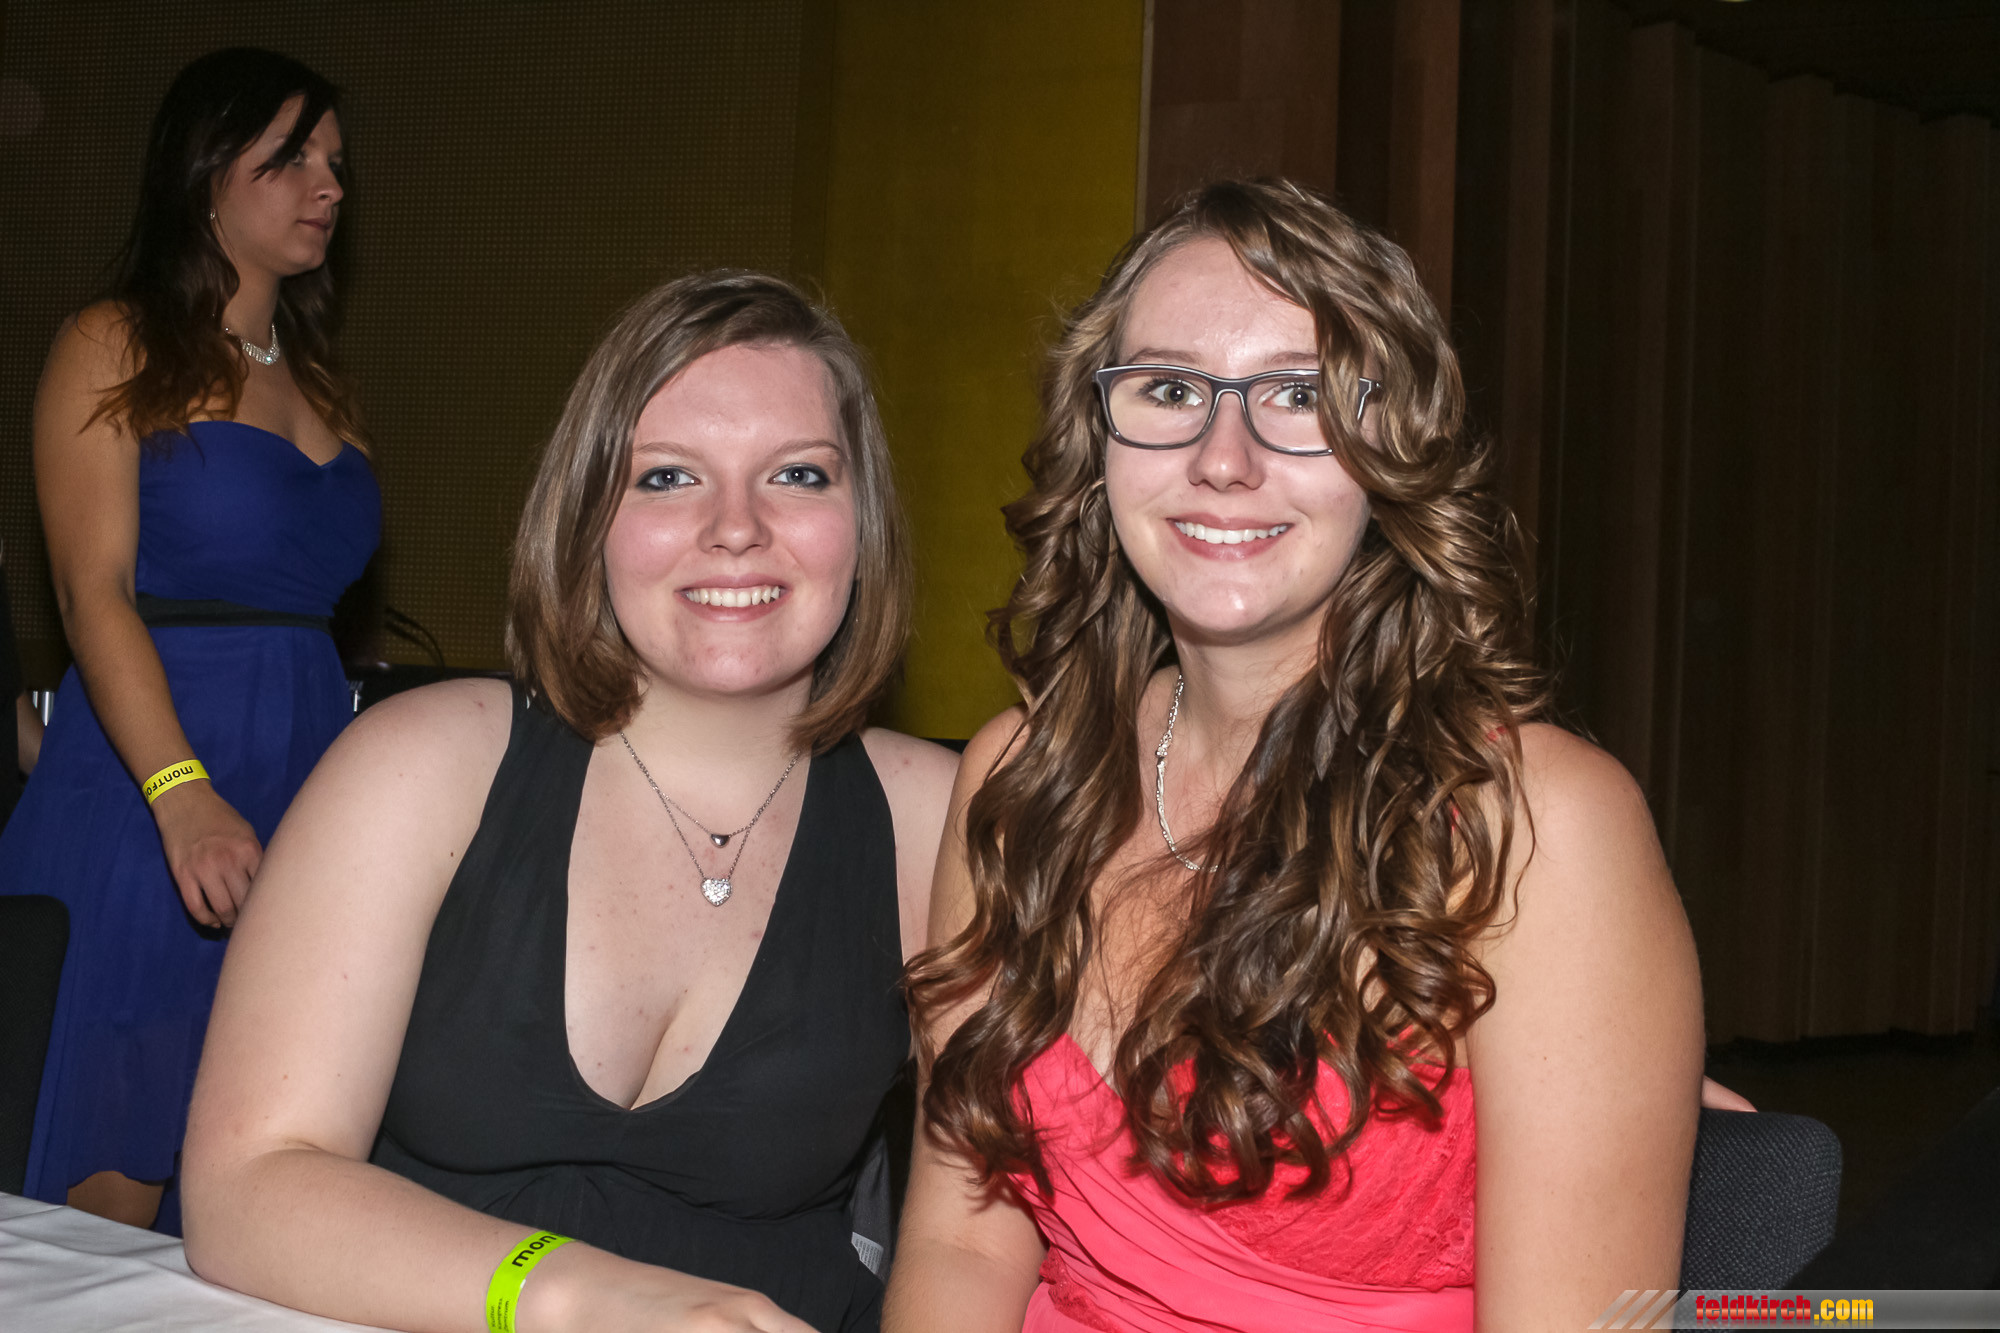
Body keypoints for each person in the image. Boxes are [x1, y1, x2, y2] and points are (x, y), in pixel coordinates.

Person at [885, 180, 1707, 1333]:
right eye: (1170, 389)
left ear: (1389, 449)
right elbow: (958, 1245)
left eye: (1297, 396)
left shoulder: (1533, 825)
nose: (1223, 458)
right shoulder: (1020, 780)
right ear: (1098, 437)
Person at [181, 271, 959, 1333]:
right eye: (668, 477)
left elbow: (979, 1247)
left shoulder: (941, 824)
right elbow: (247, 1188)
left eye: (797, 474)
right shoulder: (423, 765)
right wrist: (586, 1296)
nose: (735, 527)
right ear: (589, 515)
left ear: (860, 521)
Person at [0, 47, 378, 1232]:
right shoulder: (112, 343)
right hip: (148, 799)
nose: (328, 184)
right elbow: (91, 595)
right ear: (207, 173)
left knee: (253, 1188)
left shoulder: (324, 385)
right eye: (291, 158)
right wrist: (180, 792)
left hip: (295, 792)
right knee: (106, 1210)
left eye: (334, 161)